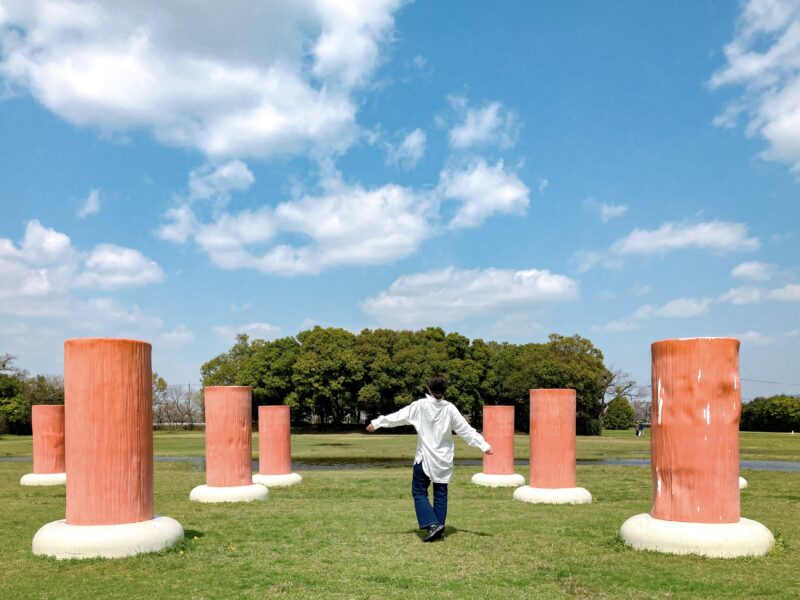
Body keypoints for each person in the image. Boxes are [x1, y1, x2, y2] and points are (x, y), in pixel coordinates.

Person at [365, 374, 492, 542]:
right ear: (445, 390)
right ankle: (438, 529)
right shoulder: (450, 408)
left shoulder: (421, 406)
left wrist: (377, 423)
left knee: (418, 492)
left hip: (425, 456)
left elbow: (399, 416)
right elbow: (465, 430)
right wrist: (484, 445)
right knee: (440, 493)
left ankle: (432, 524)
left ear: (428, 389)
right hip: (443, 458)